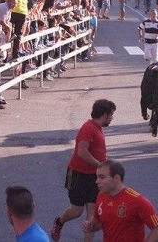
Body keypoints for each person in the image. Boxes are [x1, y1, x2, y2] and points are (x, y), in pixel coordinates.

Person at [50, 99, 117, 242]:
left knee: (92, 211)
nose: (112, 118)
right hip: (78, 174)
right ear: (104, 115)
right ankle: (59, 222)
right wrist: (100, 165)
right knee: (77, 210)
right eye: (111, 115)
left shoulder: (98, 128)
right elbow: (82, 152)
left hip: (94, 176)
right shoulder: (88, 128)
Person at [81, 159, 158, 242]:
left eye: (102, 177)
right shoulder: (101, 196)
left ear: (116, 178)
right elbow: (99, 222)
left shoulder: (138, 201)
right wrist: (90, 227)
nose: (97, 181)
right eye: (97, 177)